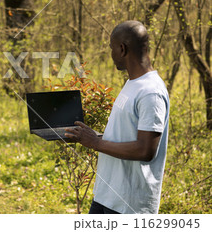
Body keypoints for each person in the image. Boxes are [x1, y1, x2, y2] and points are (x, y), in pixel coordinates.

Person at [65, 21, 169, 214]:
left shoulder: (150, 92)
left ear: (122, 49)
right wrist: (88, 136)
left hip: (129, 205)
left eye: (111, 48)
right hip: (107, 195)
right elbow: (126, 135)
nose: (111, 54)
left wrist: (95, 142)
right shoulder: (133, 83)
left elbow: (145, 150)